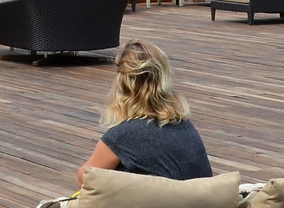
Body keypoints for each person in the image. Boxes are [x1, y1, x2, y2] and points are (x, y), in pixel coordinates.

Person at [76, 41, 213, 185]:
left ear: (123, 84)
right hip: (200, 204)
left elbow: (84, 180)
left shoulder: (123, 135)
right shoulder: (185, 126)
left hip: (161, 207)